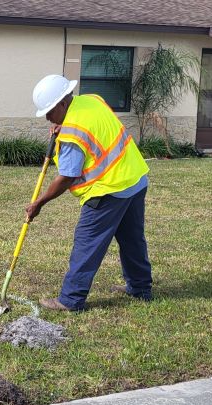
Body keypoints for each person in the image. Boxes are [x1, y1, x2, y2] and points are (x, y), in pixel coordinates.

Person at [24, 74, 152, 312]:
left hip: (108, 190)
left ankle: (70, 300)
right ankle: (140, 288)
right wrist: (66, 125)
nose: (48, 118)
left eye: (50, 111)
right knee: (132, 239)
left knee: (87, 245)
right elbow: (93, 125)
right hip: (134, 178)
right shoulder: (92, 100)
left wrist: (39, 202)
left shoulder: (73, 133)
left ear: (63, 103)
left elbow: (67, 177)